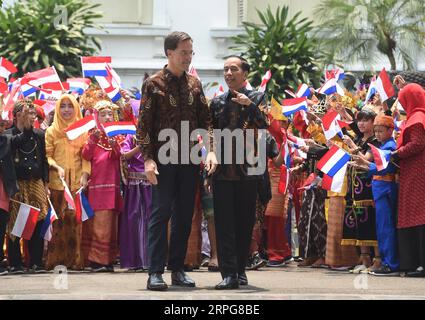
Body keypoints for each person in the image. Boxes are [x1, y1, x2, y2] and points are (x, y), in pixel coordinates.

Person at [137, 31, 217, 291]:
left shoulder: (195, 84)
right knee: (161, 214)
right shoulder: (153, 84)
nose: (188, 57)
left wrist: (212, 150)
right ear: (169, 53)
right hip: (163, 159)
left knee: (184, 216)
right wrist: (148, 159)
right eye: (184, 52)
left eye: (191, 52)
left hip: (190, 159)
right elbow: (144, 126)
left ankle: (178, 269)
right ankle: (155, 272)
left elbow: (206, 121)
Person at [209, 55, 268, 289]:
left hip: (249, 171)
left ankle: (241, 270)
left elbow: (268, 126)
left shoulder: (259, 97)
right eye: (225, 69)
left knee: (244, 223)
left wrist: (249, 106)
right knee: (224, 224)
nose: (228, 73)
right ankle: (228, 274)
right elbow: (210, 133)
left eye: (233, 69)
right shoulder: (217, 102)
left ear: (245, 73)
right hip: (223, 172)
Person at [44, 94, 90, 270]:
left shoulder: (82, 131)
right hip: (57, 183)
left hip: (76, 183)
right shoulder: (51, 131)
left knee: (76, 223)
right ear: (57, 109)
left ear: (76, 108)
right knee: (58, 223)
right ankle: (55, 260)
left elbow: (85, 157)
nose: (66, 110)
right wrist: (56, 167)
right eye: (62, 106)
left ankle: (75, 260)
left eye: (69, 106)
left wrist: (85, 174)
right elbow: (47, 156)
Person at [352, 115, 400, 275]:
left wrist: (365, 165)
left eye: (381, 131)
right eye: (376, 131)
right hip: (379, 189)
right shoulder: (383, 145)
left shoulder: (390, 145)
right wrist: (364, 164)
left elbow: (384, 167)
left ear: (390, 130)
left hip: (386, 188)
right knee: (381, 227)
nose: (377, 134)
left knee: (386, 227)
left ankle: (390, 263)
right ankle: (387, 262)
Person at [6, 100, 49, 274]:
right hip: (17, 184)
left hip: (36, 182)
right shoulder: (8, 135)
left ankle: (36, 262)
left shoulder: (39, 134)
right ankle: (15, 263)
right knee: (16, 222)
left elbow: (43, 160)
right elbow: (16, 144)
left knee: (37, 220)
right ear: (17, 116)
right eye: (28, 113)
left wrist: (46, 183)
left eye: (33, 114)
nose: (32, 117)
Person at [81, 100, 123, 272]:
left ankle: (109, 259)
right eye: (103, 114)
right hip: (98, 187)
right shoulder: (93, 136)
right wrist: (93, 138)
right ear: (96, 117)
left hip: (112, 188)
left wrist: (115, 147)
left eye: (109, 114)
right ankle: (98, 261)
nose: (107, 117)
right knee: (99, 223)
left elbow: (119, 158)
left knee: (111, 224)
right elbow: (85, 154)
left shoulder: (117, 137)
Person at [393, 83, 425, 277]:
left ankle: (419, 264)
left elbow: (418, 144)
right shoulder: (418, 116)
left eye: (404, 99)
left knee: (418, 214)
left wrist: (398, 153)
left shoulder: (417, 118)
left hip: (417, 173)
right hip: (414, 171)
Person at [119, 134, 152, 272]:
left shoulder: (154, 134)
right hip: (133, 183)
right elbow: (124, 156)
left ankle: (150, 261)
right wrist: (139, 147)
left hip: (150, 181)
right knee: (133, 219)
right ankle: (133, 261)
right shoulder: (130, 136)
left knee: (150, 219)